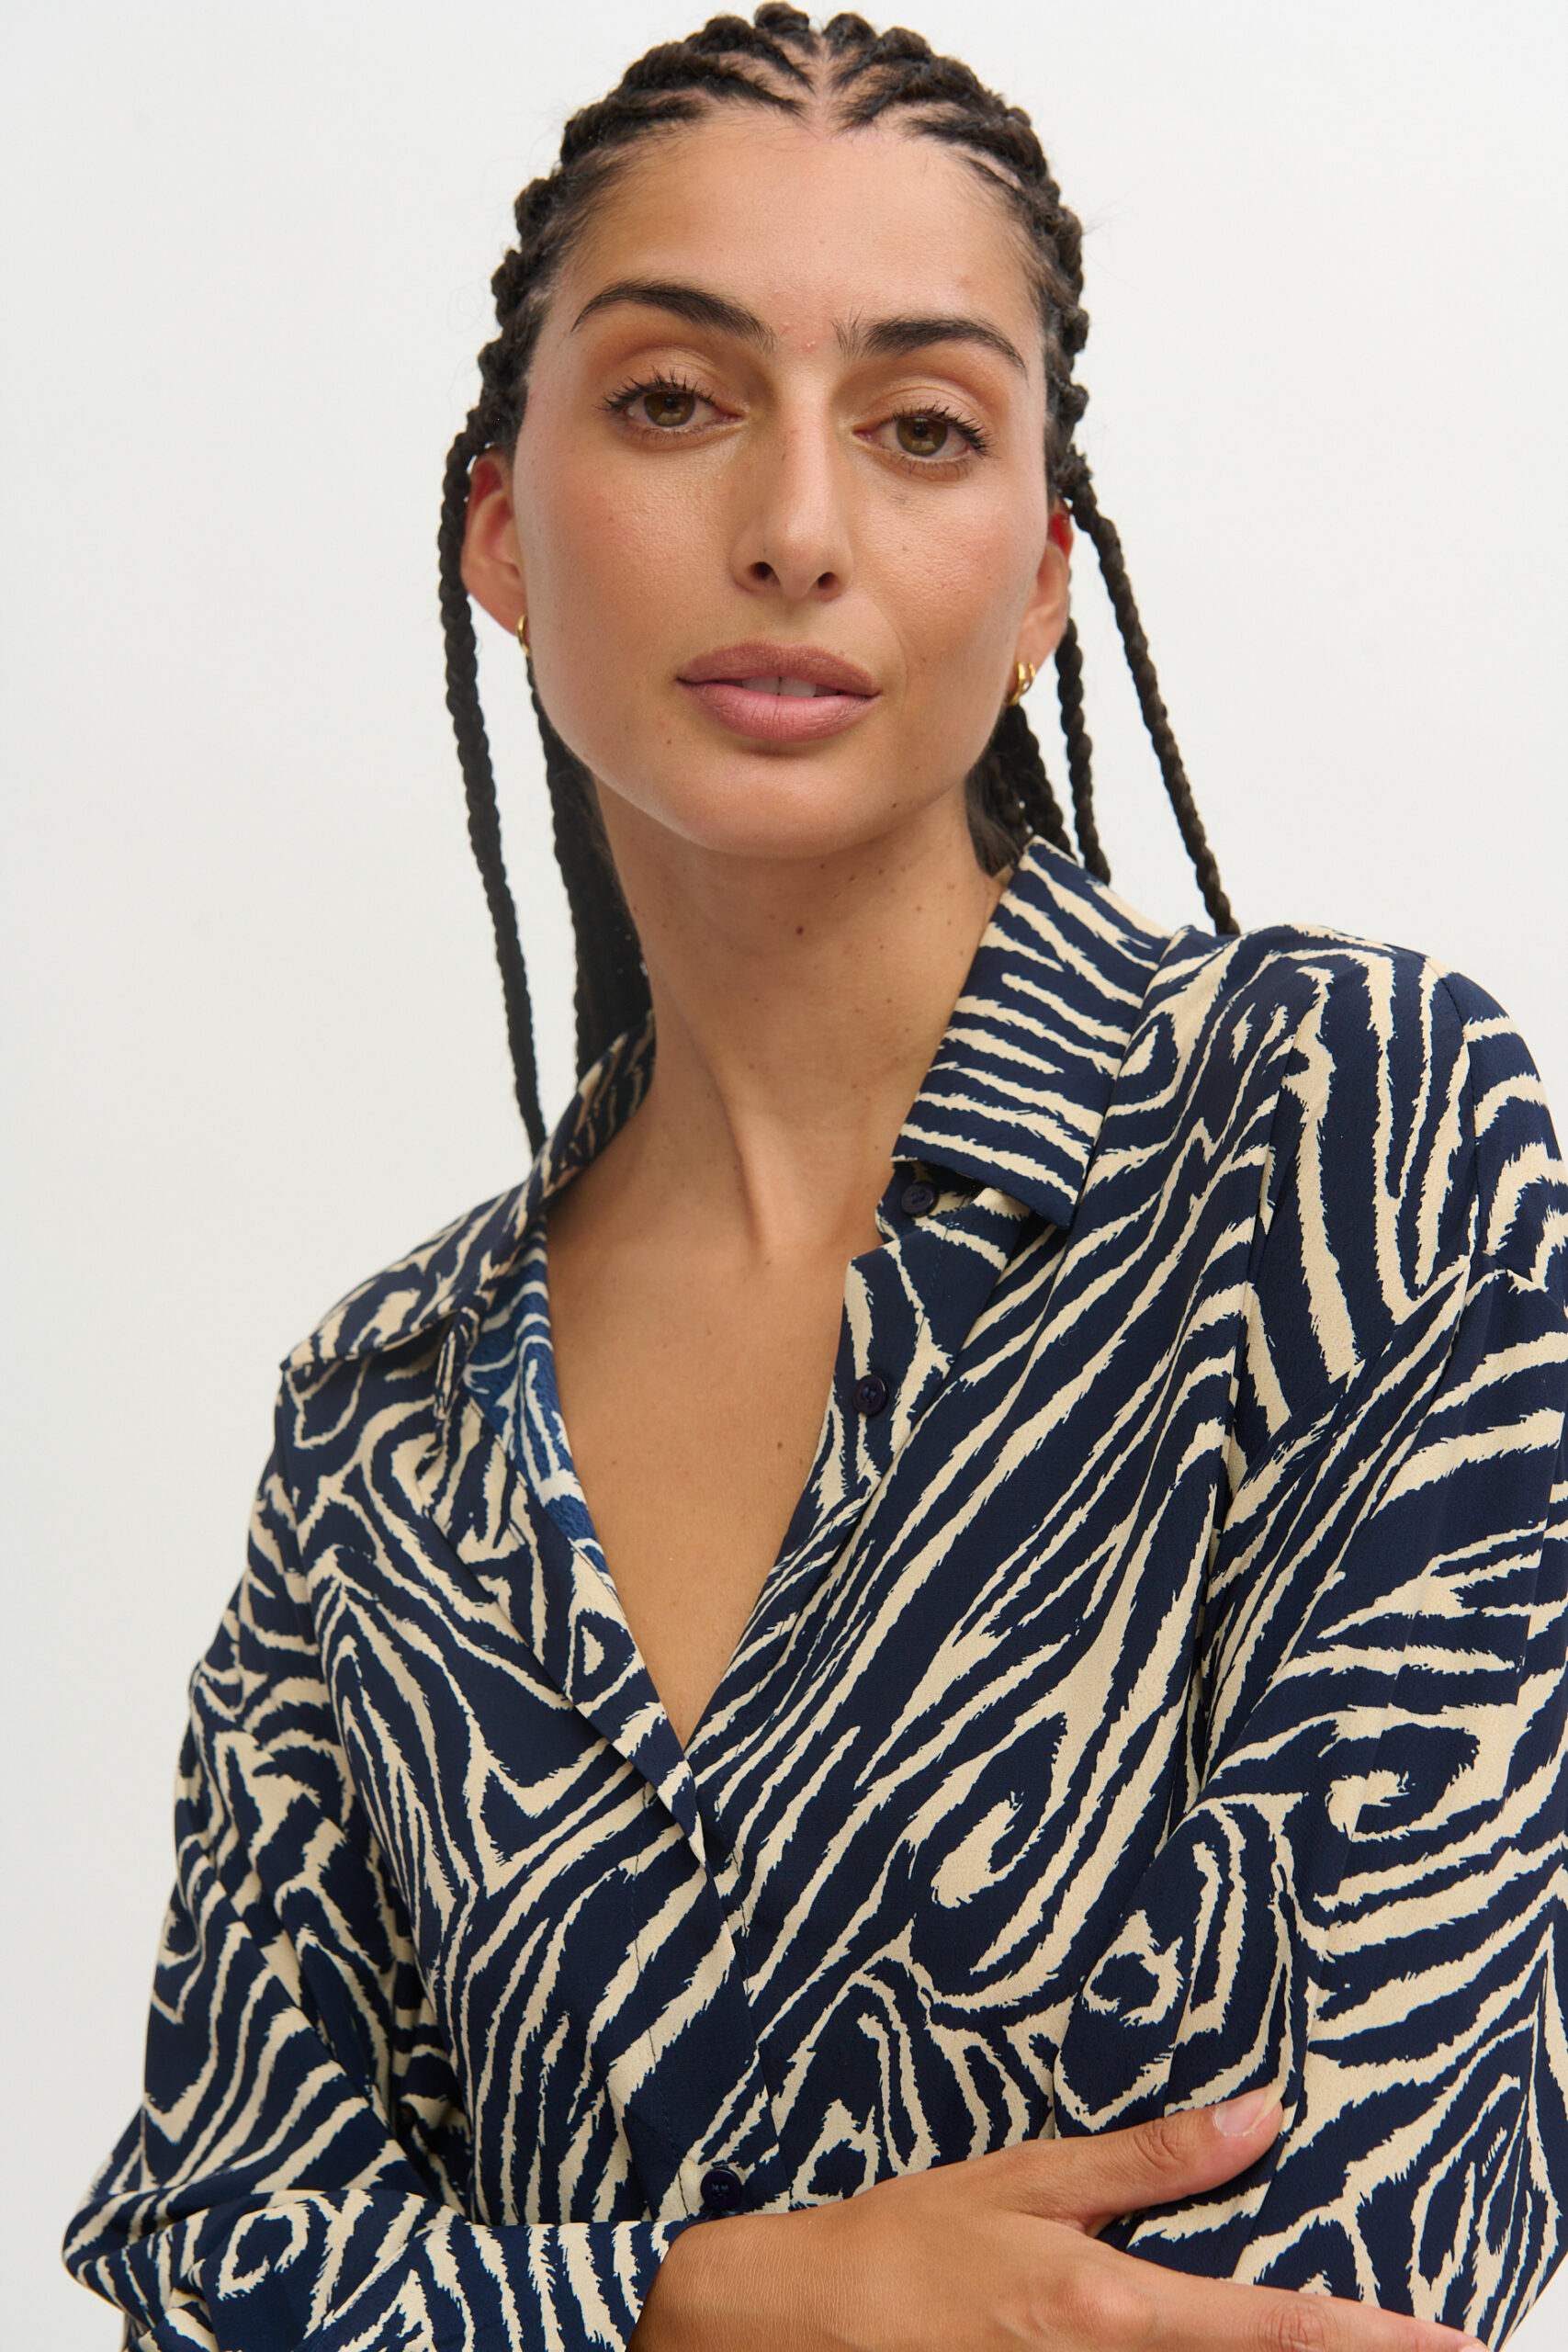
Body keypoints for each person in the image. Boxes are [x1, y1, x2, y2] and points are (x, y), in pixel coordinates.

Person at [63, 9, 1567, 2347]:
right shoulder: (380, 1420)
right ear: (498, 524)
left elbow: (1360, 2254)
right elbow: (210, 2255)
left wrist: (518, 2295)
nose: (791, 524)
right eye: (673, 399)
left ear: (1044, 574)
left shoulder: (1349, 1138)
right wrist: (711, 2298)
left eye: (920, 426)